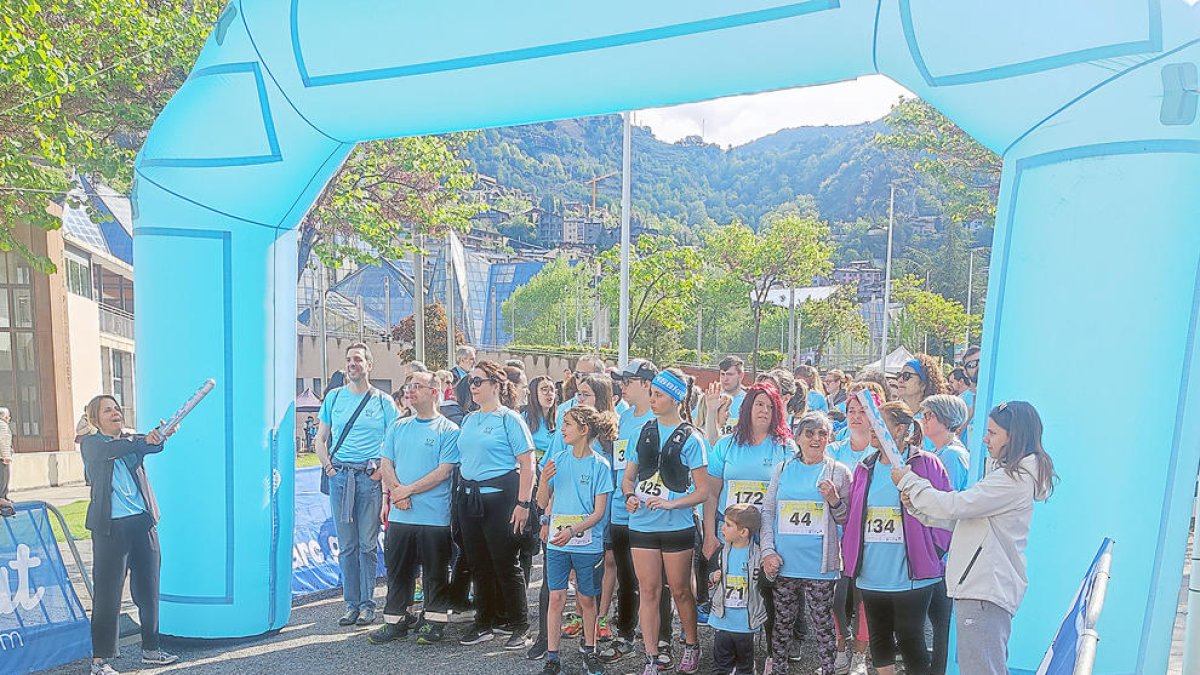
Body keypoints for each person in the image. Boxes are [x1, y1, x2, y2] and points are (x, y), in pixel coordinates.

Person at [892, 401, 1058, 675]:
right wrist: (917, 506)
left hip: (984, 588)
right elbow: (964, 519)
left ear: (1012, 437)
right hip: (982, 588)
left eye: (993, 433)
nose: (984, 438)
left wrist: (910, 482)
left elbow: (956, 506)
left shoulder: (1012, 479)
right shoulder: (1010, 476)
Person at [842, 399, 952, 675]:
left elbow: (946, 511)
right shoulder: (864, 467)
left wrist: (934, 551)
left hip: (913, 572)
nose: (871, 428)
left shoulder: (926, 463)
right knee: (879, 635)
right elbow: (856, 516)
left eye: (880, 424)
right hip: (872, 570)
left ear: (901, 429)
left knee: (910, 636)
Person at [80, 395, 179, 674]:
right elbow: (117, 448)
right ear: (95, 419)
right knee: (108, 595)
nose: (115, 413)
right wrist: (146, 439)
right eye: (108, 410)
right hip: (111, 529)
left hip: (142, 524)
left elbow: (150, 447)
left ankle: (151, 650)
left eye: (117, 409)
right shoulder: (91, 443)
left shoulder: (132, 440)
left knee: (148, 590)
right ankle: (100, 661)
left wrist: (162, 434)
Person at [622, 368, 709, 675]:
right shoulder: (641, 431)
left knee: (682, 589)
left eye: (659, 395)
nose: (653, 399)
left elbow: (703, 491)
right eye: (652, 394)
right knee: (648, 591)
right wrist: (630, 495)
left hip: (676, 525)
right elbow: (628, 477)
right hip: (642, 524)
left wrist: (673, 503)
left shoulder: (692, 438)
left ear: (675, 399)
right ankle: (651, 657)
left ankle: (691, 644)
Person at [530, 373, 617, 656]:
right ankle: (552, 654)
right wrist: (543, 482)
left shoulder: (600, 465)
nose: (561, 429)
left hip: (586, 543)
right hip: (557, 542)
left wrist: (573, 530)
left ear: (583, 429)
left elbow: (599, 512)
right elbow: (542, 501)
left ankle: (589, 651)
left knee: (587, 599)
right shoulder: (557, 460)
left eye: (566, 424)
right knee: (556, 597)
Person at [371, 371, 461, 645]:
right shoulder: (398, 427)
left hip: (434, 518)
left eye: (417, 386)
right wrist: (397, 492)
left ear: (435, 392)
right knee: (398, 569)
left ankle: (434, 622)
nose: (410, 391)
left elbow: (443, 471)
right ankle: (397, 620)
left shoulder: (448, 430)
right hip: (401, 515)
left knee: (435, 571)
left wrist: (405, 490)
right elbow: (386, 462)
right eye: (408, 386)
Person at [760, 412, 852, 675]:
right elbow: (768, 512)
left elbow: (846, 517)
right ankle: (778, 669)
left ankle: (828, 669)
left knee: (822, 624)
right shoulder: (783, 469)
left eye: (822, 433)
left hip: (819, 566)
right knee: (782, 624)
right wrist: (767, 551)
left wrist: (834, 500)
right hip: (784, 564)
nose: (816, 439)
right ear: (798, 438)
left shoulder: (838, 472)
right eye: (810, 433)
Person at [314, 344, 399, 626]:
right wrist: (328, 467)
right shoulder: (334, 398)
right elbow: (320, 438)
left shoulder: (383, 401)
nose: (353, 364)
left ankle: (368, 604)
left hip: (369, 478)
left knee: (367, 545)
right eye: (349, 360)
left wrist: (380, 474)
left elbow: (393, 441)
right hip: (340, 478)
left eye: (358, 360)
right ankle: (351, 604)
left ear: (369, 365)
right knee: (347, 546)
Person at [455, 360, 537, 650]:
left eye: (478, 381)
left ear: (495, 385)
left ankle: (520, 624)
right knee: (478, 563)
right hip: (470, 499)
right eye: (470, 381)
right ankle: (484, 621)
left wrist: (523, 503)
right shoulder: (469, 419)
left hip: (501, 500)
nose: (473, 386)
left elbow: (527, 463)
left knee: (505, 562)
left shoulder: (509, 419)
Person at [597, 359, 672, 664]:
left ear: (646, 384)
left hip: (650, 515)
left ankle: (663, 640)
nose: (622, 387)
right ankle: (625, 634)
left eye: (627, 381)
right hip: (619, 510)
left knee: (656, 582)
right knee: (627, 579)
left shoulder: (660, 419)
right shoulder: (624, 418)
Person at [911, 394, 970, 675]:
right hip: (938, 550)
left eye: (929, 416)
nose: (924, 421)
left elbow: (950, 504)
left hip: (942, 552)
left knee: (940, 622)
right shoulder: (942, 452)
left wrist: (936, 549)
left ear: (946, 421)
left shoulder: (952, 456)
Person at [825, 383, 882, 671]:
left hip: (871, 539)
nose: (857, 416)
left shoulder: (884, 452)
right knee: (836, 599)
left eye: (864, 411)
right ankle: (840, 648)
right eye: (851, 410)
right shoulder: (833, 450)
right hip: (834, 538)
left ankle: (860, 655)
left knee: (864, 599)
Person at [707, 504, 766, 675]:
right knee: (721, 663)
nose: (723, 528)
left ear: (743, 532)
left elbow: (766, 584)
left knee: (744, 665)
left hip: (745, 622)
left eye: (728, 525)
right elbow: (710, 576)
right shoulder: (722, 552)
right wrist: (714, 577)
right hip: (722, 618)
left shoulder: (758, 555)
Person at [697, 355, 748, 440]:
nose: (725, 379)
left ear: (741, 375)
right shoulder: (711, 399)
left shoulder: (748, 401)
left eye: (730, 374)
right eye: (722, 374)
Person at [894, 356, 948, 420]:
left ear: (923, 384)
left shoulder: (933, 419)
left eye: (906, 375)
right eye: (899, 375)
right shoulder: (894, 415)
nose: (900, 380)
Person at [557, 355, 606, 426]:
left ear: (600, 377)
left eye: (585, 375)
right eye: (577, 375)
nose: (580, 379)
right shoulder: (563, 409)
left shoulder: (617, 407)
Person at [0, 407, 12, 516]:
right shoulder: (2, 425)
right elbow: (3, 441)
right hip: (2, 459)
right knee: (4, 479)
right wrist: (6, 456)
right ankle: (2, 500)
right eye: (8, 416)